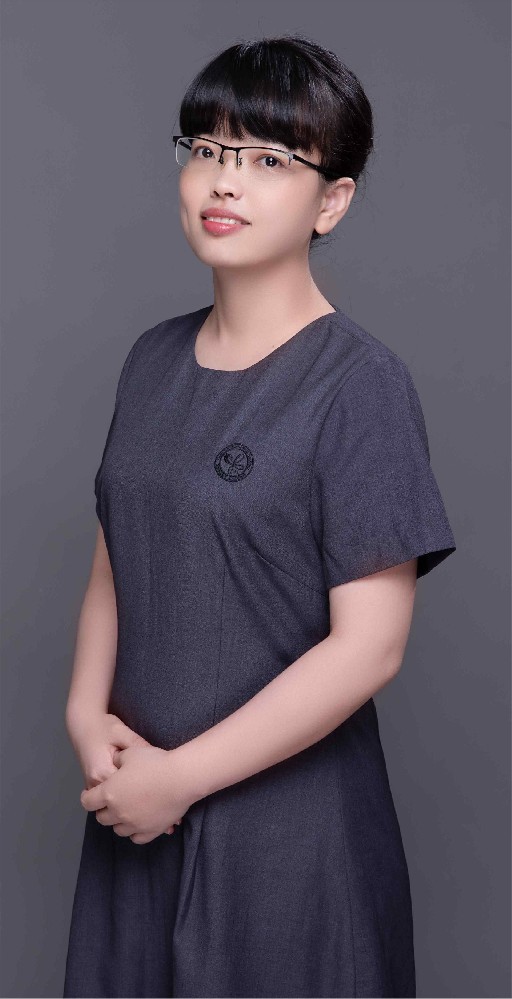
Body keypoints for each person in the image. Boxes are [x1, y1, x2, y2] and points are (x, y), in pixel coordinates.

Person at [63, 34, 456, 999]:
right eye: (207, 148)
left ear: (333, 201)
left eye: (270, 159)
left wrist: (181, 778)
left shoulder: (359, 385)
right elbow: (119, 560)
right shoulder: (150, 361)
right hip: (134, 816)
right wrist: (84, 712)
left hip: (292, 841)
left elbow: (369, 648)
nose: (224, 180)